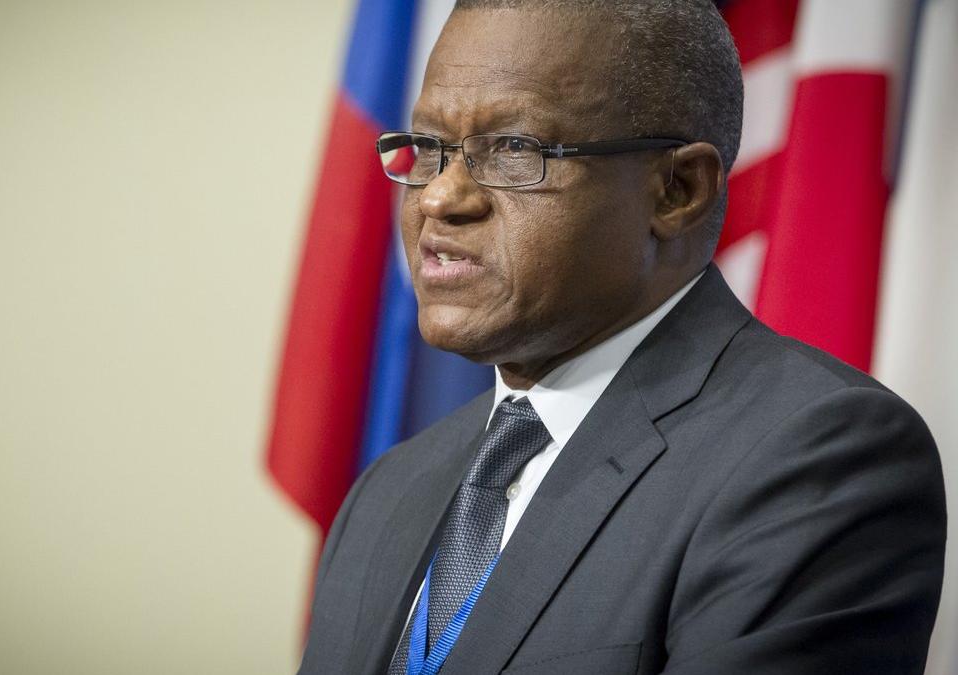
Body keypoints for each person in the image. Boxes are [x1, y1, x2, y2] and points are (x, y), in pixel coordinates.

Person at [298, 1, 946, 674]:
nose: (439, 197)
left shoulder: (816, 461)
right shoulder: (390, 490)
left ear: (677, 190)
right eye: (429, 147)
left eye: (513, 149)